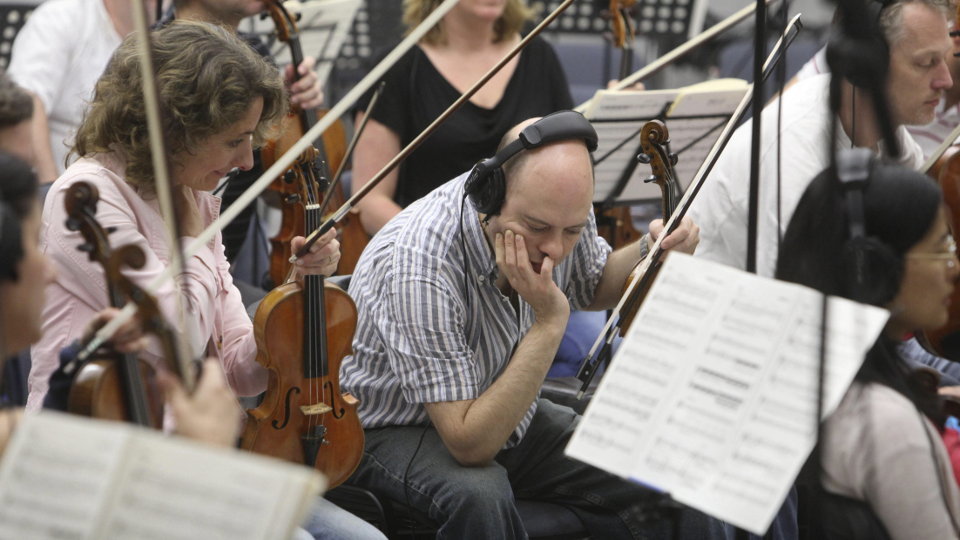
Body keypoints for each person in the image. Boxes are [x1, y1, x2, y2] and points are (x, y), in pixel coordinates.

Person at [339, 111, 726, 539]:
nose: (554, 249)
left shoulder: (559, 206)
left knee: (650, 464)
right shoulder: (418, 264)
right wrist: (549, 323)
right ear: (490, 195)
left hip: (489, 398)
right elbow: (469, 443)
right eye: (536, 228)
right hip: (389, 426)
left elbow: (594, 284)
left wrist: (652, 252)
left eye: (572, 230)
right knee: (479, 494)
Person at [689, 0, 953, 278]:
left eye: (944, 59)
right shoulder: (793, 151)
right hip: (728, 298)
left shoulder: (884, 126)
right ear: (864, 67)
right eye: (926, 63)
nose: (945, 80)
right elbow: (795, 291)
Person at [776, 153, 960, 538]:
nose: (955, 267)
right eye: (942, 246)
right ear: (875, 268)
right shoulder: (888, 427)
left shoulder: (798, 387)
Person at [350, 0, 574, 237]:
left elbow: (570, 162)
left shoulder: (538, 53)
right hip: (430, 246)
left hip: (528, 245)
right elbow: (370, 201)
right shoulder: (397, 66)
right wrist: (441, 245)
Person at [7, 0, 152, 184]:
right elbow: (29, 102)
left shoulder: (169, 24)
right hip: (68, 183)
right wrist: (49, 186)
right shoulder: (60, 17)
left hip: (136, 184)